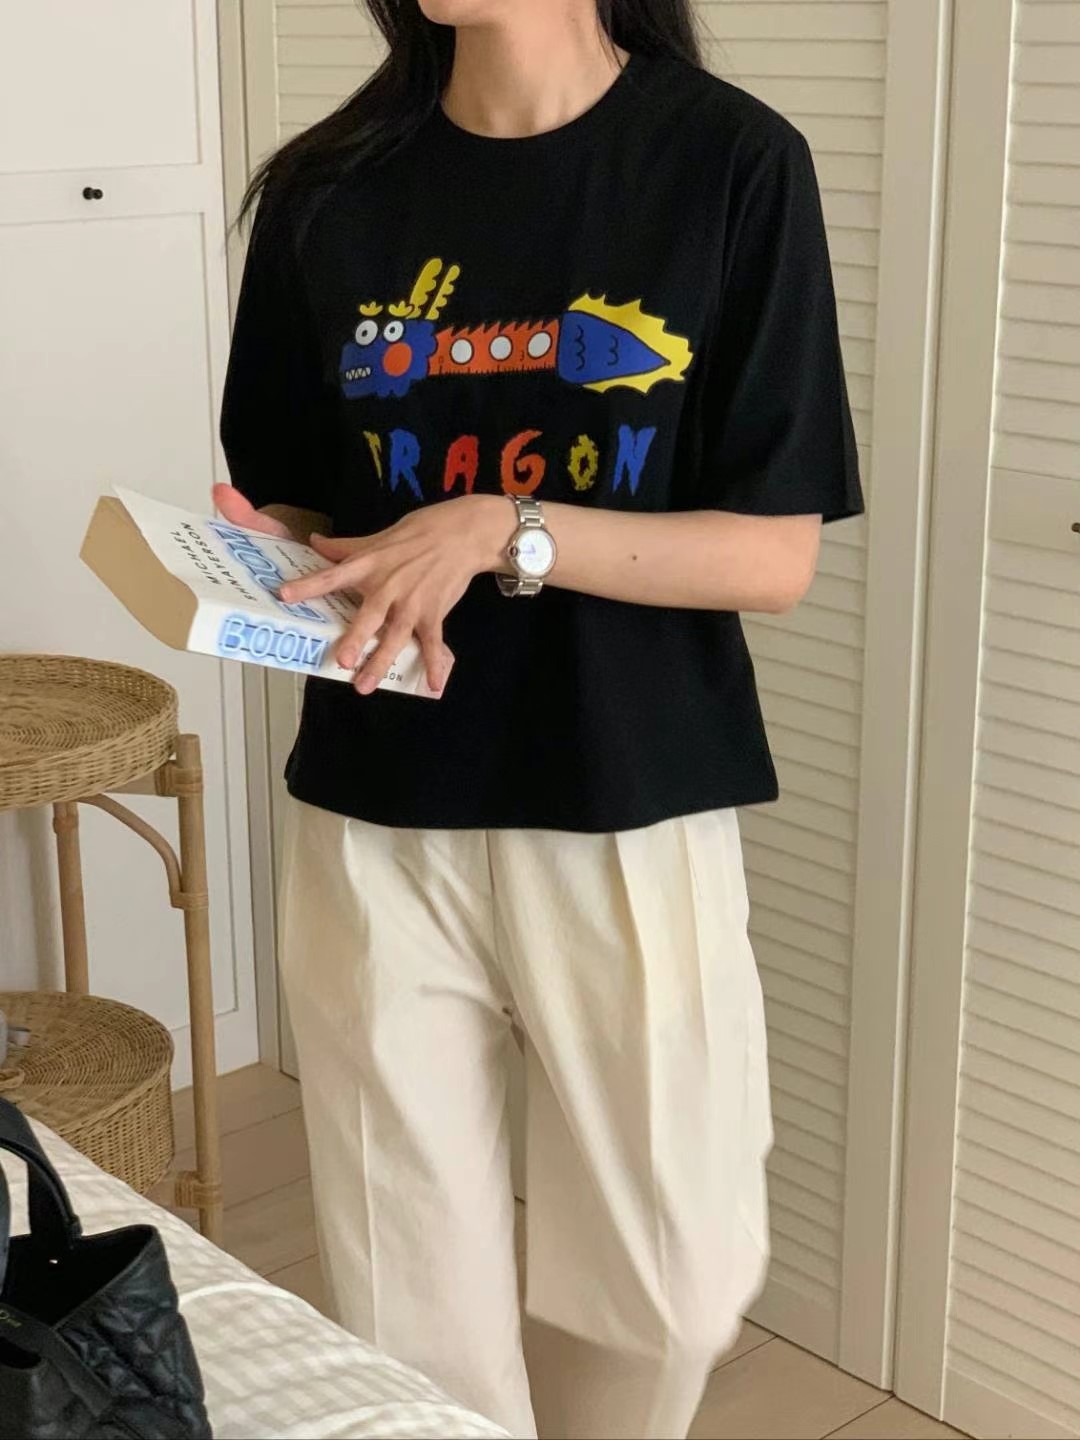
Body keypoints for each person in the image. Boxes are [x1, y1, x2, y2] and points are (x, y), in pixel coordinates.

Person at [217, 1, 863, 1435]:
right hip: (378, 801)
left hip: (628, 795)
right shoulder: (326, 190)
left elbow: (773, 557)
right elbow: (302, 503)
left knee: (673, 1279)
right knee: (406, 1301)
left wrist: (505, 527)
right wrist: (247, 563)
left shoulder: (728, 163)